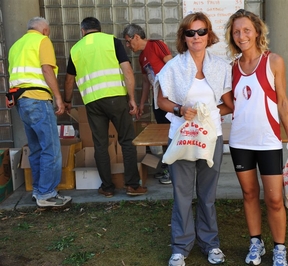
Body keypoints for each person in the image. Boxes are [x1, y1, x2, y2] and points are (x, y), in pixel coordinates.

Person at [154, 12, 233, 266]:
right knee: (182, 194)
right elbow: (161, 101)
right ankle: (180, 246)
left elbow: (229, 104)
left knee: (207, 194)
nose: (196, 37)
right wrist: (179, 110)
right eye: (190, 32)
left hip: (211, 137)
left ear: (209, 35)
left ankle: (211, 244)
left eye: (201, 32)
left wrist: (208, 114)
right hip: (182, 136)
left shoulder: (221, 66)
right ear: (184, 37)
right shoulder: (174, 66)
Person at [224, 9, 288, 266]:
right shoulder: (232, 67)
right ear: (231, 36)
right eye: (236, 32)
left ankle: (280, 249)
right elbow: (232, 104)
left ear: (257, 31)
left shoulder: (273, 61)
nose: (241, 36)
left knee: (275, 199)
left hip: (268, 142)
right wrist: (199, 113)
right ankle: (256, 242)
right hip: (240, 143)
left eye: (246, 30)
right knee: (249, 194)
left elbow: (283, 102)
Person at [64, 17, 147, 198]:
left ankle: (107, 187)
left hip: (93, 102)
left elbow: (69, 79)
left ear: (83, 31)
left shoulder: (76, 49)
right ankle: (132, 185)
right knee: (126, 140)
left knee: (100, 145)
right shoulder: (112, 41)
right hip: (116, 98)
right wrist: (131, 98)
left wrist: (67, 100)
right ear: (99, 29)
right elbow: (127, 70)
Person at [7, 17, 71, 207]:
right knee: (50, 148)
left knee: (35, 149)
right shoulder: (42, 41)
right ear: (44, 30)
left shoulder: (16, 46)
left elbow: (16, 75)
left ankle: (39, 190)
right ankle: (47, 194)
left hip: (22, 101)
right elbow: (47, 70)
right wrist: (58, 97)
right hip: (38, 99)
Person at [122, 23, 173, 185]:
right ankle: (168, 166)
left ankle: (174, 171)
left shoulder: (156, 45)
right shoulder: (141, 57)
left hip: (170, 99)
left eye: (129, 41)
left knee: (172, 133)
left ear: (137, 36)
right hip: (157, 100)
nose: (128, 46)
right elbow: (145, 82)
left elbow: (172, 67)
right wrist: (142, 103)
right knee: (164, 133)